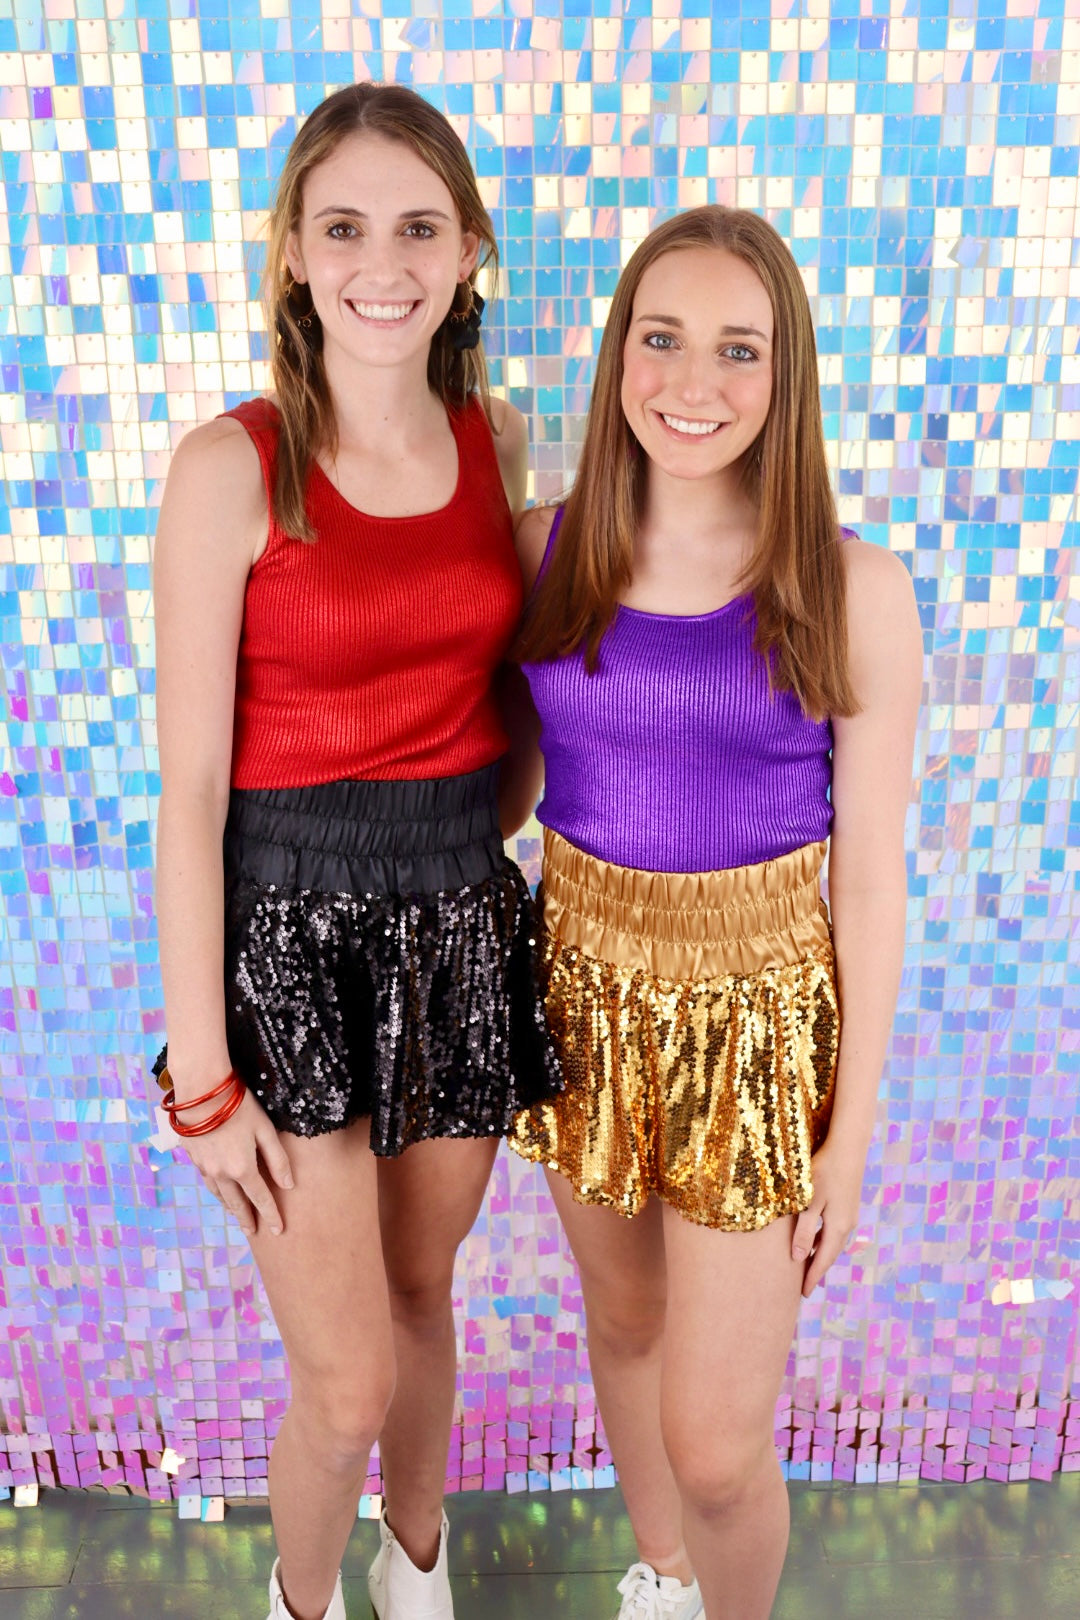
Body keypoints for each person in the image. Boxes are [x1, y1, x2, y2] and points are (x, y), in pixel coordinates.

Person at [152, 83, 559, 1620]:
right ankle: (300, 1603)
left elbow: (503, 707)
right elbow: (190, 790)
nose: (381, 264)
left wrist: (497, 843)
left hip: (456, 916)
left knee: (421, 1291)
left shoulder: (497, 437)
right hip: (285, 938)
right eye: (344, 228)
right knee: (342, 1379)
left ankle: (418, 1565)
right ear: (293, 256)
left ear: (467, 253)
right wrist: (205, 1076)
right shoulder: (230, 468)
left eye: (417, 228)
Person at [508, 206, 922, 1620]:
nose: (694, 381)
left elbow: (871, 878)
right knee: (624, 1324)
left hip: (757, 1025)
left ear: (785, 372)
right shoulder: (545, 549)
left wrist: (848, 1137)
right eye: (663, 337)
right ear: (619, 353)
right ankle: (666, 1576)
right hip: (580, 993)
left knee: (720, 1447)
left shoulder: (852, 588)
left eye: (739, 349)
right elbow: (492, 780)